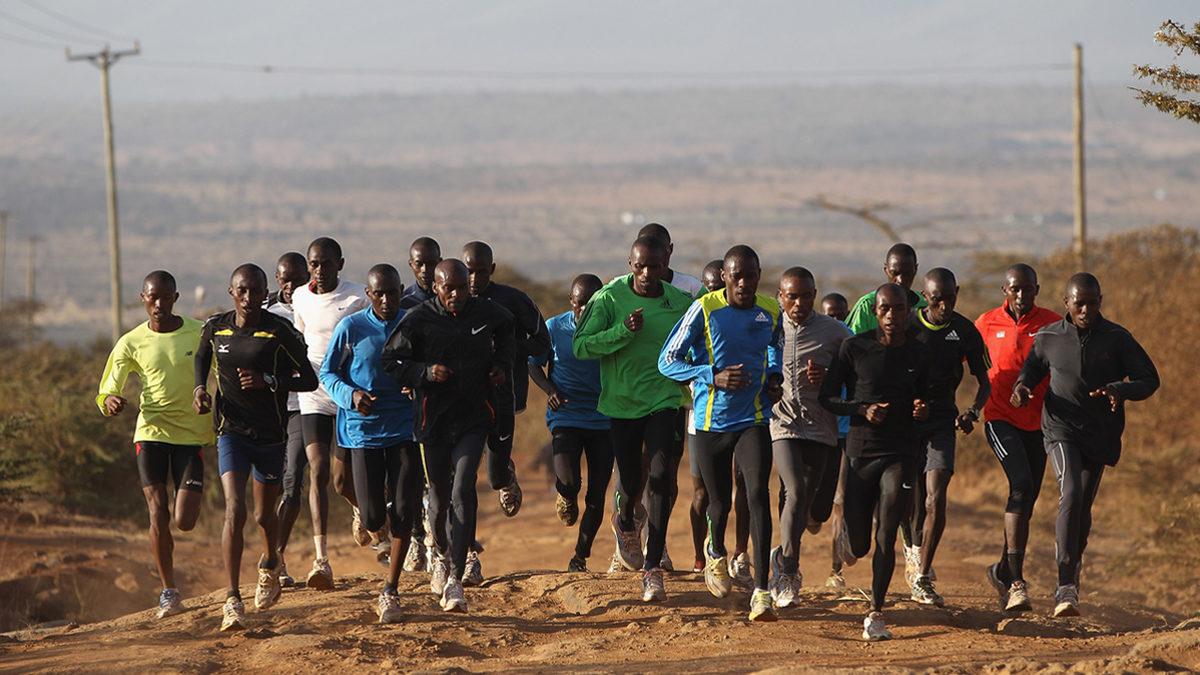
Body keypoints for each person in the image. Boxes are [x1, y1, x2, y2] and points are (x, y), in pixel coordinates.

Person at [1011, 273, 1158, 618]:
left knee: (1083, 509)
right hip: (1060, 428)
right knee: (1071, 492)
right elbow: (1031, 371)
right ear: (1067, 303)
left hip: (1101, 434)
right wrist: (1022, 388)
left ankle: (1072, 571)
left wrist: (1120, 390)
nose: (1087, 309)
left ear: (1100, 301)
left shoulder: (1117, 338)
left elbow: (1150, 379)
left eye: (1093, 303)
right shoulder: (1048, 337)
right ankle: (1065, 585)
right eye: (1079, 303)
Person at [381, 259, 515, 613]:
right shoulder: (420, 319)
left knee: (463, 488)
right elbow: (391, 361)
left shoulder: (487, 313)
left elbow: (507, 333)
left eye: (461, 287)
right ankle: (438, 553)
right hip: (433, 423)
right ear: (436, 287)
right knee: (438, 500)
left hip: (472, 419)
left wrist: (500, 366)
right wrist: (423, 372)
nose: (456, 294)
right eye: (448, 288)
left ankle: (455, 579)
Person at [659, 245, 783, 622]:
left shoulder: (770, 310)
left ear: (759, 274)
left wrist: (775, 376)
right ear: (725, 276)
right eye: (737, 276)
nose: (745, 283)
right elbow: (668, 361)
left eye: (751, 275)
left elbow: (775, 346)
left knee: (757, 494)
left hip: (755, 418)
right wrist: (710, 376)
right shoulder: (705, 309)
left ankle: (762, 591)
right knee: (718, 502)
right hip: (711, 422)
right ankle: (715, 551)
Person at [193, 264, 317, 632]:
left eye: (256, 291)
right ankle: (232, 599)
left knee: (265, 517)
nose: (249, 298)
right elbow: (201, 358)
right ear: (231, 291)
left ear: (267, 292)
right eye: (242, 291)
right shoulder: (216, 327)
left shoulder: (280, 331)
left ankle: (270, 563)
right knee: (235, 509)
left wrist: (269, 381)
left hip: (271, 435)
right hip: (231, 433)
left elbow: (308, 379)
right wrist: (200, 389)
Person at [573, 236, 692, 602]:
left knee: (660, 478)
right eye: (639, 266)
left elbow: (700, 342)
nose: (646, 273)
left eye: (654, 267)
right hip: (622, 404)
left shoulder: (680, 302)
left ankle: (652, 567)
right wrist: (623, 331)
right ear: (629, 263)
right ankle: (625, 521)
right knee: (630, 479)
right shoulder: (609, 298)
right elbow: (581, 345)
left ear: (664, 266)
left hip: (665, 400)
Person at [96, 270, 214, 619]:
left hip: (191, 437)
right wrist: (110, 402)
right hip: (151, 433)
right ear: (142, 298)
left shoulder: (198, 332)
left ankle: (171, 583)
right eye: (153, 297)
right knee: (157, 511)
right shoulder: (131, 341)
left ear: (176, 298)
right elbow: (107, 389)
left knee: (185, 520)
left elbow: (224, 370)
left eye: (166, 297)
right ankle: (169, 591)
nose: (159, 304)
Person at [819, 283, 932, 642]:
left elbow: (931, 399)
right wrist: (862, 409)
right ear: (875, 310)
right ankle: (847, 542)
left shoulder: (919, 352)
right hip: (860, 452)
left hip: (900, 452)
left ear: (907, 312)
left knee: (887, 530)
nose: (891, 316)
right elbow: (828, 398)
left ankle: (876, 611)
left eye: (899, 309)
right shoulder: (855, 348)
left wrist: (922, 408)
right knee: (861, 544)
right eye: (885, 309)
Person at [319, 264, 418, 624]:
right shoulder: (352, 327)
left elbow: (425, 362)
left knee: (406, 509)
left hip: (405, 429)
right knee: (376, 515)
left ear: (400, 289)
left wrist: (417, 381)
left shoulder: (413, 323)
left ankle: (390, 590)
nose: (388, 300)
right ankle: (372, 518)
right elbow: (328, 373)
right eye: (380, 294)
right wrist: (351, 394)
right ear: (369, 294)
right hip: (362, 432)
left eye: (393, 292)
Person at [461, 241, 552, 583]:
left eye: (480, 271)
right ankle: (467, 555)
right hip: (464, 405)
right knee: (464, 478)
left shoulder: (513, 302)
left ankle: (506, 476)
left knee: (494, 472)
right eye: (467, 270)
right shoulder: (453, 301)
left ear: (492, 269)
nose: (472, 278)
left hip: (504, 398)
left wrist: (507, 348)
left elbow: (542, 343)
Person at [900, 268, 990, 607]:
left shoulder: (965, 330)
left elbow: (985, 381)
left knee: (935, 499)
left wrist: (972, 412)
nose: (944, 306)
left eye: (950, 298)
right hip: (907, 422)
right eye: (937, 300)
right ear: (925, 297)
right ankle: (912, 546)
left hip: (941, 423)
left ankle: (923, 575)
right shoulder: (907, 325)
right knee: (909, 499)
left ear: (957, 293)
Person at [975, 263, 1062, 612]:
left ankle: (1000, 569)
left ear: (1037, 289)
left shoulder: (1053, 324)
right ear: (1004, 291)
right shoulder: (985, 323)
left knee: (1027, 499)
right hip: (1000, 417)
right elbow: (960, 361)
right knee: (1021, 484)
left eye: (1028, 289)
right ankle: (1016, 582)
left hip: (1040, 423)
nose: (1022, 295)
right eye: (1015, 289)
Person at [289, 237, 371, 590]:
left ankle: (360, 509)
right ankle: (320, 560)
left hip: (345, 394)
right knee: (317, 470)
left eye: (325, 263)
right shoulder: (300, 297)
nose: (319, 271)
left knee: (341, 482)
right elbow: (300, 340)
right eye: (313, 264)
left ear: (340, 263)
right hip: (311, 394)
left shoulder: (357, 297)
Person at [767, 268, 851, 609]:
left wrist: (830, 376)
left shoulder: (835, 332)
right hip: (782, 423)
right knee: (796, 490)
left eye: (805, 296)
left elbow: (859, 371)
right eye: (791, 296)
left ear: (814, 295)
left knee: (812, 509)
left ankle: (781, 555)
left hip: (821, 428)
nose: (798, 303)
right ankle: (788, 572)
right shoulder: (769, 328)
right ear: (780, 296)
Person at [528, 274, 613, 572]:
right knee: (570, 482)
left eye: (590, 306)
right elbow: (533, 363)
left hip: (604, 419)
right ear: (571, 302)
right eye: (578, 305)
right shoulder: (554, 329)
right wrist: (550, 390)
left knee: (597, 492)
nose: (583, 312)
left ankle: (580, 557)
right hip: (566, 415)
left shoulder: (612, 329)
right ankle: (566, 496)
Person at [265, 252, 311, 589]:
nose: (292, 285)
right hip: (268, 408)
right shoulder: (266, 312)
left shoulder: (314, 303)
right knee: (270, 487)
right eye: (285, 279)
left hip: (303, 404)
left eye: (298, 278)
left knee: (294, 480)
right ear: (278, 280)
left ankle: (276, 557)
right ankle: (272, 553)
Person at [398, 236, 442, 572]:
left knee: (446, 477)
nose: (426, 269)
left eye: (432, 262)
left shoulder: (451, 296)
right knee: (411, 475)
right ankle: (415, 537)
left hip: (447, 402)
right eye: (420, 263)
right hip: (411, 403)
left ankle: (456, 545)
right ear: (411, 266)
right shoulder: (403, 303)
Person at [687, 259, 727, 573]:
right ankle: (701, 556)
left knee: (737, 490)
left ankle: (731, 553)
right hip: (699, 418)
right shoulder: (695, 317)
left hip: (741, 418)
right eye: (711, 288)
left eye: (721, 288)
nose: (717, 294)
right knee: (702, 492)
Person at [844, 244, 927, 335]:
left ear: (915, 270)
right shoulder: (867, 304)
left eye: (907, 273)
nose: (900, 280)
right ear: (886, 270)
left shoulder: (925, 304)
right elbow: (855, 343)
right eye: (895, 273)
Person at [638, 222, 704, 297]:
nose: (656, 256)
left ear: (670, 249)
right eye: (649, 251)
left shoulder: (692, 288)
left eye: (661, 250)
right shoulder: (623, 289)